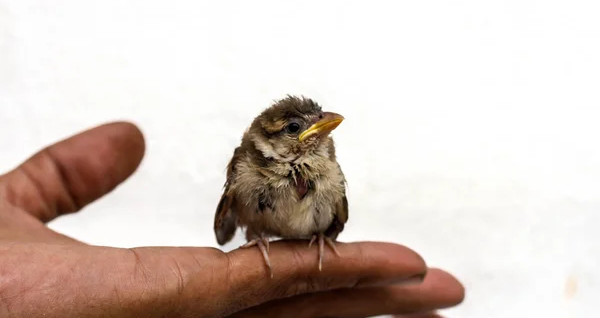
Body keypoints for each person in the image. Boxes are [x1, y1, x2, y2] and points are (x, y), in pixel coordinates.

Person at [0, 121, 465, 317]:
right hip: (262, 234)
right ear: (272, 138)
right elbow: (230, 212)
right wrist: (254, 233)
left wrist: (327, 237)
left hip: (314, 243)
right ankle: (265, 240)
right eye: (295, 131)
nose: (316, 135)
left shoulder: (329, 171)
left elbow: (336, 211)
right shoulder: (248, 166)